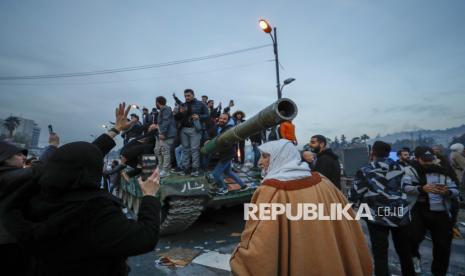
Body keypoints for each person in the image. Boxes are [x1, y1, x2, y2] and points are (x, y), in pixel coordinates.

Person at [4, 103, 162, 276]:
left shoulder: (31, 196)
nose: (101, 162)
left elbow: (79, 158)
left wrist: (115, 130)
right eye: (17, 154)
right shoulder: (94, 212)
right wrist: (149, 196)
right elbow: (145, 238)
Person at [230, 139, 372, 276]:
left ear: (281, 157)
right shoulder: (323, 181)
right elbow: (348, 221)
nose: (260, 162)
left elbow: (259, 245)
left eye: (266, 156)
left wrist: (239, 260)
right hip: (332, 261)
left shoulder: (271, 190)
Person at [352, 141, 415, 276]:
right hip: (399, 213)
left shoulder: (366, 170)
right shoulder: (402, 168)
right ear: (388, 152)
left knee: (380, 254)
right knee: (404, 251)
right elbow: (407, 187)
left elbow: (357, 192)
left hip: (377, 215)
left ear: (372, 152)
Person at [403, 146, 459, 276]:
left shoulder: (444, 170)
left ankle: (439, 272)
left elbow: (455, 189)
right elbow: (405, 187)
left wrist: (448, 192)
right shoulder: (410, 170)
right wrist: (422, 189)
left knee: (443, 245)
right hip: (419, 208)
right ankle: (414, 258)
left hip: (441, 210)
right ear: (417, 159)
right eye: (424, 160)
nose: (428, 162)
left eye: (430, 159)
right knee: (411, 238)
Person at [207, 113, 250, 195]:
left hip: (227, 154)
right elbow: (212, 134)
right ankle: (244, 186)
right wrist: (209, 140)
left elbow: (225, 142)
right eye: (220, 118)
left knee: (215, 174)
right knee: (228, 172)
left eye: (224, 119)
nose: (221, 120)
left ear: (228, 120)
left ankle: (223, 188)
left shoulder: (229, 129)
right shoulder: (219, 127)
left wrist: (215, 146)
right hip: (225, 153)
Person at [174, 89, 209, 176]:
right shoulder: (183, 105)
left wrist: (199, 116)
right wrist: (180, 113)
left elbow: (207, 115)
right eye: (185, 96)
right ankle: (185, 169)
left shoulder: (201, 104)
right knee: (185, 150)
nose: (187, 97)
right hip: (184, 130)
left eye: (188, 95)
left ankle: (195, 170)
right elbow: (176, 118)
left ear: (193, 95)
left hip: (195, 129)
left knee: (194, 150)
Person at [154, 96, 177, 177]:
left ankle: (166, 170)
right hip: (161, 134)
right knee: (158, 151)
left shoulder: (166, 109)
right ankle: (160, 168)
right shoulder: (162, 110)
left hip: (167, 134)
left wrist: (163, 133)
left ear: (157, 102)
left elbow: (166, 121)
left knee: (165, 152)